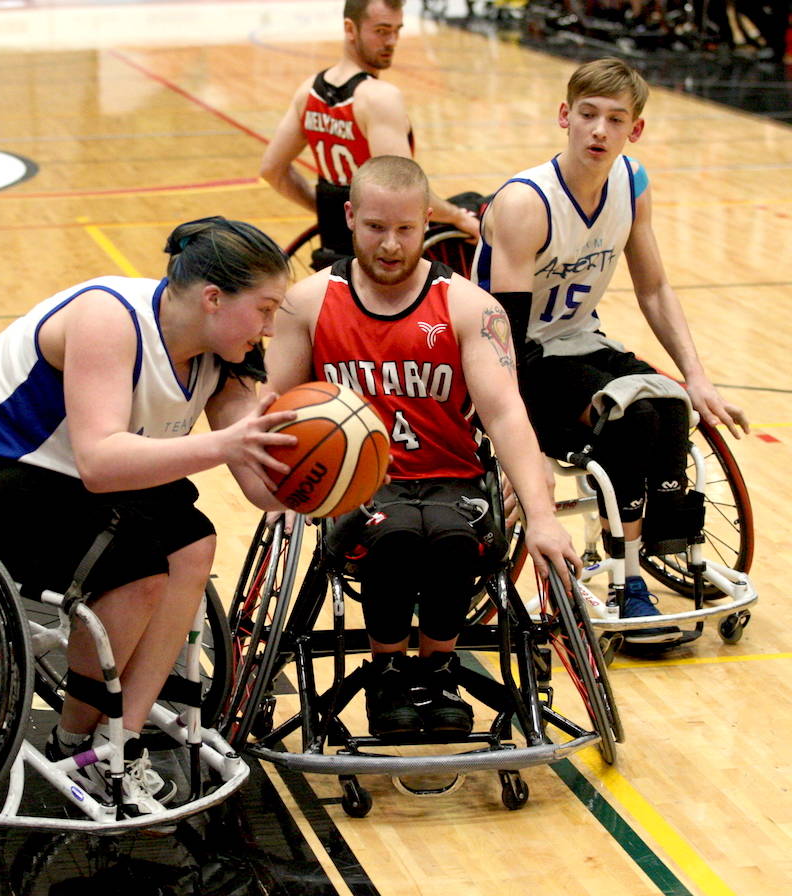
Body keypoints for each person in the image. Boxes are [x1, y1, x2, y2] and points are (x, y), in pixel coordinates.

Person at [0, 216, 297, 817]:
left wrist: (322, 478)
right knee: (137, 570)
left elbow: (260, 487)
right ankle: (73, 741)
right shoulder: (109, 316)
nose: (272, 327)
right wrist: (226, 446)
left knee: (191, 544)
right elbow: (99, 461)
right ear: (213, 298)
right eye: (266, 309)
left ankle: (120, 737)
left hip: (65, 474)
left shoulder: (227, 350)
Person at [265, 155, 579, 738]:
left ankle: (436, 671)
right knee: (396, 534)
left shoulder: (469, 307)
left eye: (405, 229)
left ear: (426, 220)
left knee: (454, 537)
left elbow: (507, 414)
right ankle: (387, 672)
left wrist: (541, 516)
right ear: (351, 218)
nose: (390, 244)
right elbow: (271, 411)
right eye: (376, 228)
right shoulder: (306, 303)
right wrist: (279, 489)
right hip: (353, 482)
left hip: (452, 477)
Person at [473, 57, 748, 647]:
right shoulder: (526, 203)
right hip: (515, 354)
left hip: (581, 339)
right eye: (588, 115)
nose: (599, 130)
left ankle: (663, 545)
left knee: (670, 403)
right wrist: (518, 452)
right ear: (565, 116)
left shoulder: (631, 183)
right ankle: (627, 584)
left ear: (634, 130)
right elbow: (504, 337)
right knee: (628, 414)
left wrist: (695, 377)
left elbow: (652, 287)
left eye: (615, 120)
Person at [259, 0, 480, 269]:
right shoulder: (378, 97)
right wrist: (458, 217)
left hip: (332, 246)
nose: (392, 41)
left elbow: (272, 170)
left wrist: (329, 215)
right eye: (382, 31)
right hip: (381, 255)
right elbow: (404, 188)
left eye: (397, 30)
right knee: (476, 207)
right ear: (350, 29)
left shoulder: (309, 91)